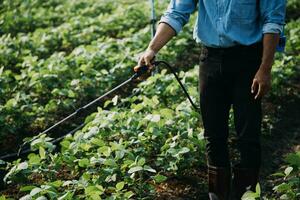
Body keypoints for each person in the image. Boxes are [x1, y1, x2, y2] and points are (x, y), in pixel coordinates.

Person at [134, 0, 286, 200]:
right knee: (213, 136)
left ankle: (247, 195)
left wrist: (265, 69)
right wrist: (152, 49)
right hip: (210, 60)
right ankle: (218, 196)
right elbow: (176, 13)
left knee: (248, 135)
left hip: (248, 61)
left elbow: (272, 21)